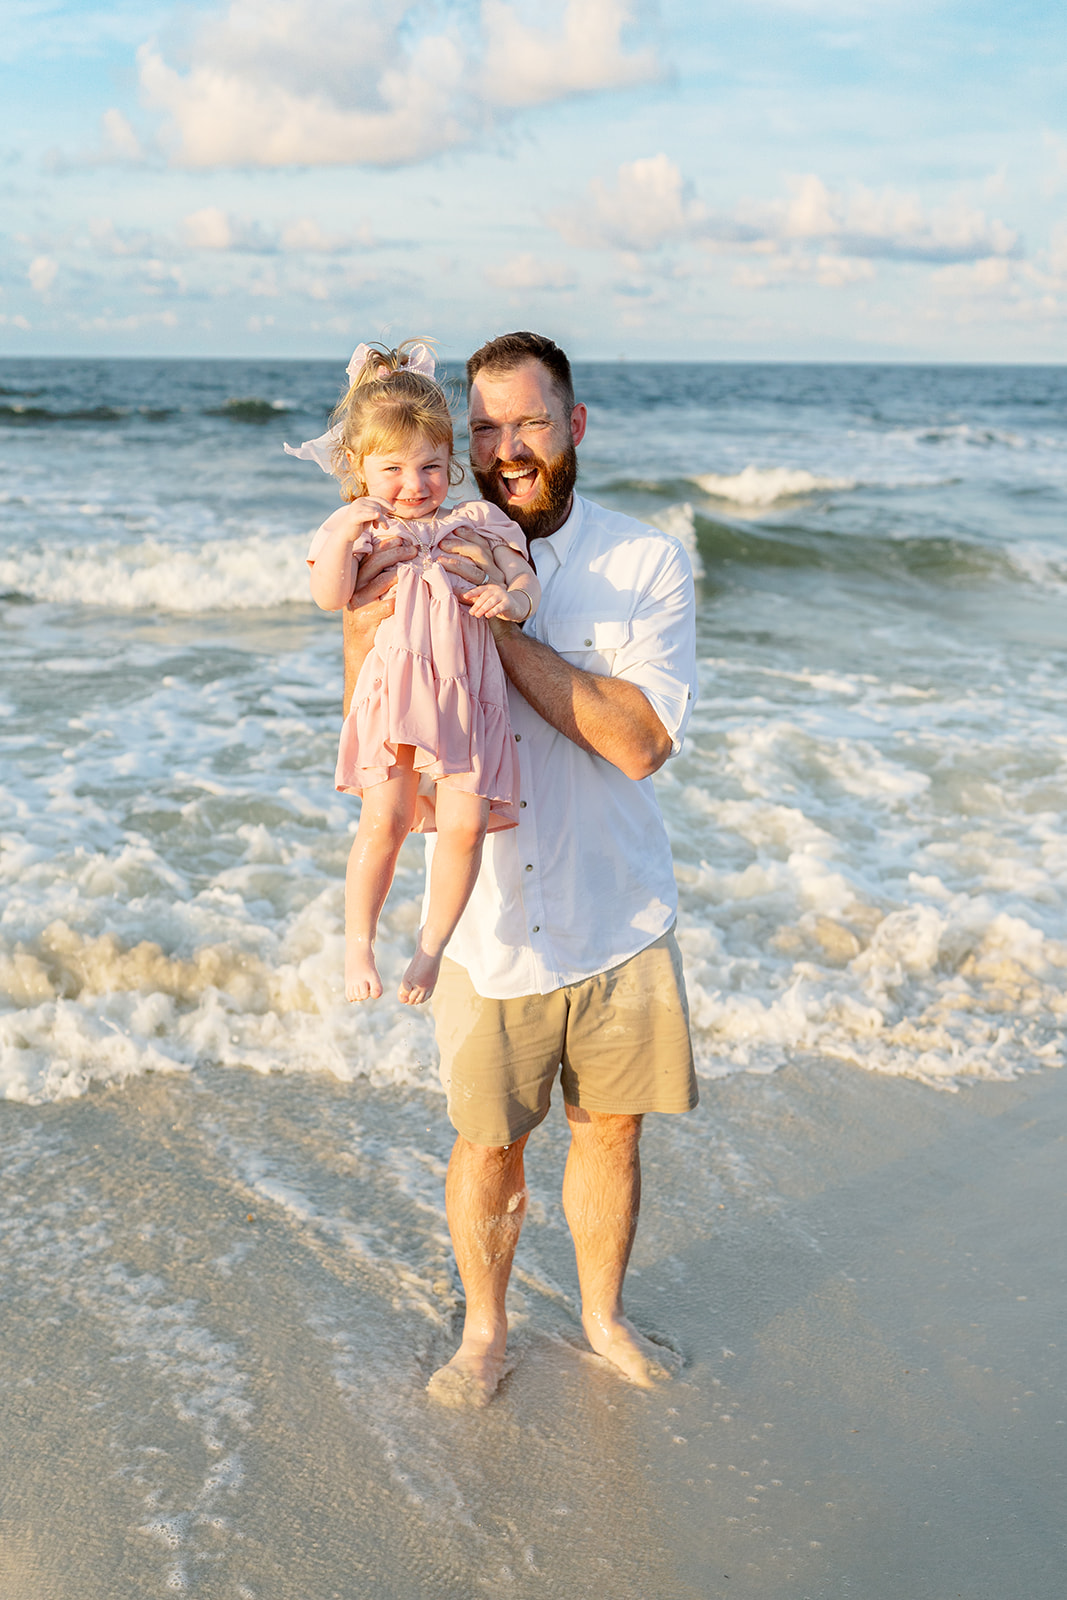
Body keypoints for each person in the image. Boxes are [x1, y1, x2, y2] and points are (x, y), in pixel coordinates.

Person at [342, 332, 698, 1406]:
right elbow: (373, 713)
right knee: (488, 1141)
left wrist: (486, 627)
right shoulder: (417, 552)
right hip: (488, 922)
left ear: (574, 426)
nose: (505, 449)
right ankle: (485, 1331)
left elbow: (638, 741)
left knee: (610, 1128)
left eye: (528, 422)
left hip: (615, 907)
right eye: (485, 427)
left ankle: (600, 1317)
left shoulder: (643, 560)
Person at [287, 340, 540, 1006]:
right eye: (392, 468)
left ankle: (429, 950)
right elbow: (330, 597)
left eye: (430, 466)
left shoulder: (476, 522)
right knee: (386, 818)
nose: (413, 484)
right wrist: (344, 533)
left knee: (464, 827)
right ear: (358, 467)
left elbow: (523, 578)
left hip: (467, 700)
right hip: (392, 698)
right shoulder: (360, 526)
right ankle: (359, 945)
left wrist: (510, 599)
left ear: (451, 463)